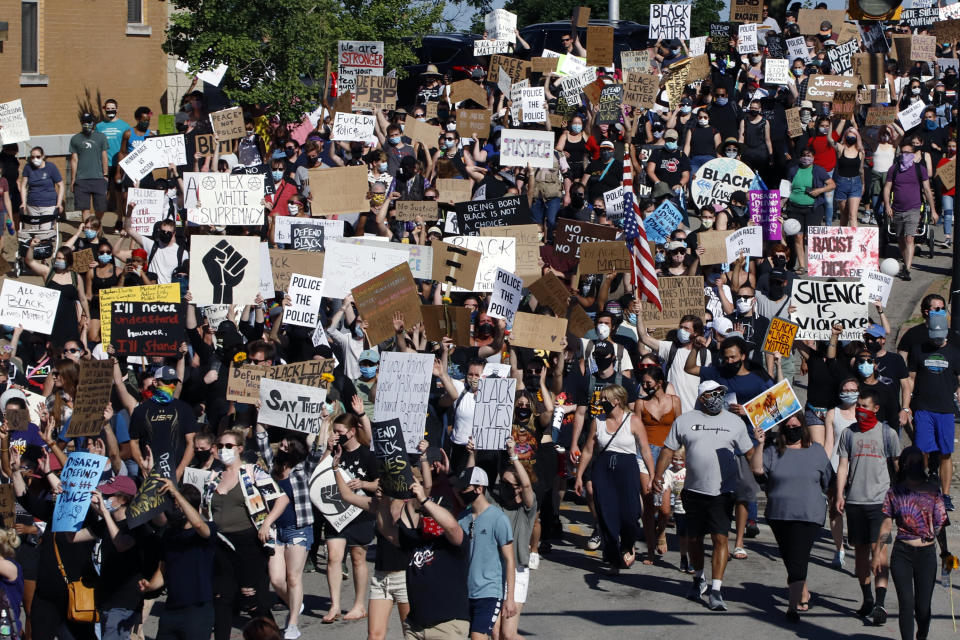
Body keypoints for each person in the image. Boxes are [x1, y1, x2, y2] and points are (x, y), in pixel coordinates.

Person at [653, 381, 757, 612]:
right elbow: (668, 450)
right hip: (693, 491)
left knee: (720, 539)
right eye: (712, 393)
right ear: (702, 397)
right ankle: (698, 578)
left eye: (721, 392)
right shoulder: (685, 420)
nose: (718, 397)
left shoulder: (735, 421)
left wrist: (762, 472)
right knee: (694, 540)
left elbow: (750, 453)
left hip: (722, 492)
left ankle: (717, 590)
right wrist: (658, 476)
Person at [750, 413, 833, 621]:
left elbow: (828, 481)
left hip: (808, 515)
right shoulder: (772, 451)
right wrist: (759, 444)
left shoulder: (816, 451)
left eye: (795, 425)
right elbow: (758, 471)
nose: (792, 428)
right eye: (787, 426)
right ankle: (803, 592)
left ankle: (791, 607)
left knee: (798, 558)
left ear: (803, 427)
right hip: (779, 514)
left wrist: (836, 503)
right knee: (790, 556)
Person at [835, 388, 902, 625]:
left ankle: (881, 604)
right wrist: (840, 493)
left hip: (880, 502)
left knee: (880, 551)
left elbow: (897, 466)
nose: (860, 410)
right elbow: (843, 465)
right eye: (858, 406)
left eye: (865, 406)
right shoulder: (848, 434)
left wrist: (903, 497)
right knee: (861, 553)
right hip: (855, 502)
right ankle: (867, 599)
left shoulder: (888, 433)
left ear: (875, 409)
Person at [254, 425, 325, 639]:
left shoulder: (303, 468)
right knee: (276, 580)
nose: (283, 444)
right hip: (276, 530)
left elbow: (318, 450)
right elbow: (261, 440)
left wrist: (322, 423)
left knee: (293, 578)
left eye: (288, 443)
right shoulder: (273, 468)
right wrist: (261, 416)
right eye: (283, 442)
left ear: (296, 448)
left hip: (299, 528)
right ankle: (296, 602)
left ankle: (292, 623)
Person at [574, 384, 654, 572]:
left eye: (604, 399)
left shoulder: (633, 420)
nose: (601, 402)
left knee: (631, 514)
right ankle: (613, 558)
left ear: (617, 400)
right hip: (603, 470)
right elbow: (587, 451)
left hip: (627, 470)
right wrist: (579, 476)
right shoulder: (597, 422)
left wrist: (652, 476)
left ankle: (627, 544)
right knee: (607, 515)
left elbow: (645, 451)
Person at [880, 447, 947, 640]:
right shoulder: (894, 492)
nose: (913, 466)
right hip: (902, 552)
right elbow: (885, 525)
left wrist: (946, 554)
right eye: (909, 463)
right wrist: (878, 552)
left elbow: (941, 524)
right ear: (903, 466)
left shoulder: (933, 491)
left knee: (923, 608)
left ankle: (922, 634)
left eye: (917, 462)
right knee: (907, 604)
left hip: (926, 555)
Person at [138, 479, 216, 640]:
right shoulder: (170, 534)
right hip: (171, 609)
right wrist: (150, 585)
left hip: (197, 610)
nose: (174, 509)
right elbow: (163, 569)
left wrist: (177, 494)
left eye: (178, 505)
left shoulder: (206, 531)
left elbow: (199, 525)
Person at [906, 308, 960, 509]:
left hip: (945, 410)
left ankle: (945, 495)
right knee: (921, 452)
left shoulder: (954, 353)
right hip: (924, 409)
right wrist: (907, 405)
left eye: (940, 338)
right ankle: (921, 488)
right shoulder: (919, 350)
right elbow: (910, 379)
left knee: (946, 453)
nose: (936, 341)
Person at [455, 466, 517, 640]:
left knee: (478, 636)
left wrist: (509, 598)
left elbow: (510, 560)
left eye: (465, 489)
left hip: (489, 592)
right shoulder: (462, 517)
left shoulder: (498, 519)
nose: (460, 492)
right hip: (465, 592)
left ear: (479, 489)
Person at [882, 139, 936, 281]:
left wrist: (934, 210)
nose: (904, 155)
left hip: (914, 208)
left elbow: (927, 190)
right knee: (900, 238)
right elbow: (887, 188)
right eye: (902, 152)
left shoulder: (920, 169)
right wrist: (887, 205)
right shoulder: (894, 169)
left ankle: (907, 269)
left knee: (909, 238)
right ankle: (905, 258)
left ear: (913, 154)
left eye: (908, 153)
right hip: (897, 208)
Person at [69, 113, 110, 219]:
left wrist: (105, 174)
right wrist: (73, 179)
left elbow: (104, 156)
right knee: (84, 208)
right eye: (84, 122)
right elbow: (74, 159)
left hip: (98, 177)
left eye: (89, 122)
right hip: (81, 179)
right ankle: (88, 230)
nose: (86, 124)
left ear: (93, 123)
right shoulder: (75, 139)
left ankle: (98, 228)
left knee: (100, 208)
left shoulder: (101, 137)